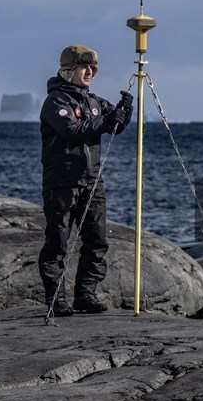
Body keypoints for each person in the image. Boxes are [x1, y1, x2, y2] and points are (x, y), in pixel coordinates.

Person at [39, 44, 133, 316]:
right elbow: (72, 130)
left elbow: (115, 125)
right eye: (84, 67)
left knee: (96, 240)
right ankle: (56, 299)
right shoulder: (55, 102)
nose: (90, 71)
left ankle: (86, 295)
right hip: (61, 183)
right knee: (58, 243)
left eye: (93, 67)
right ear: (69, 70)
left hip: (92, 181)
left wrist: (126, 109)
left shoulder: (94, 102)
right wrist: (106, 122)